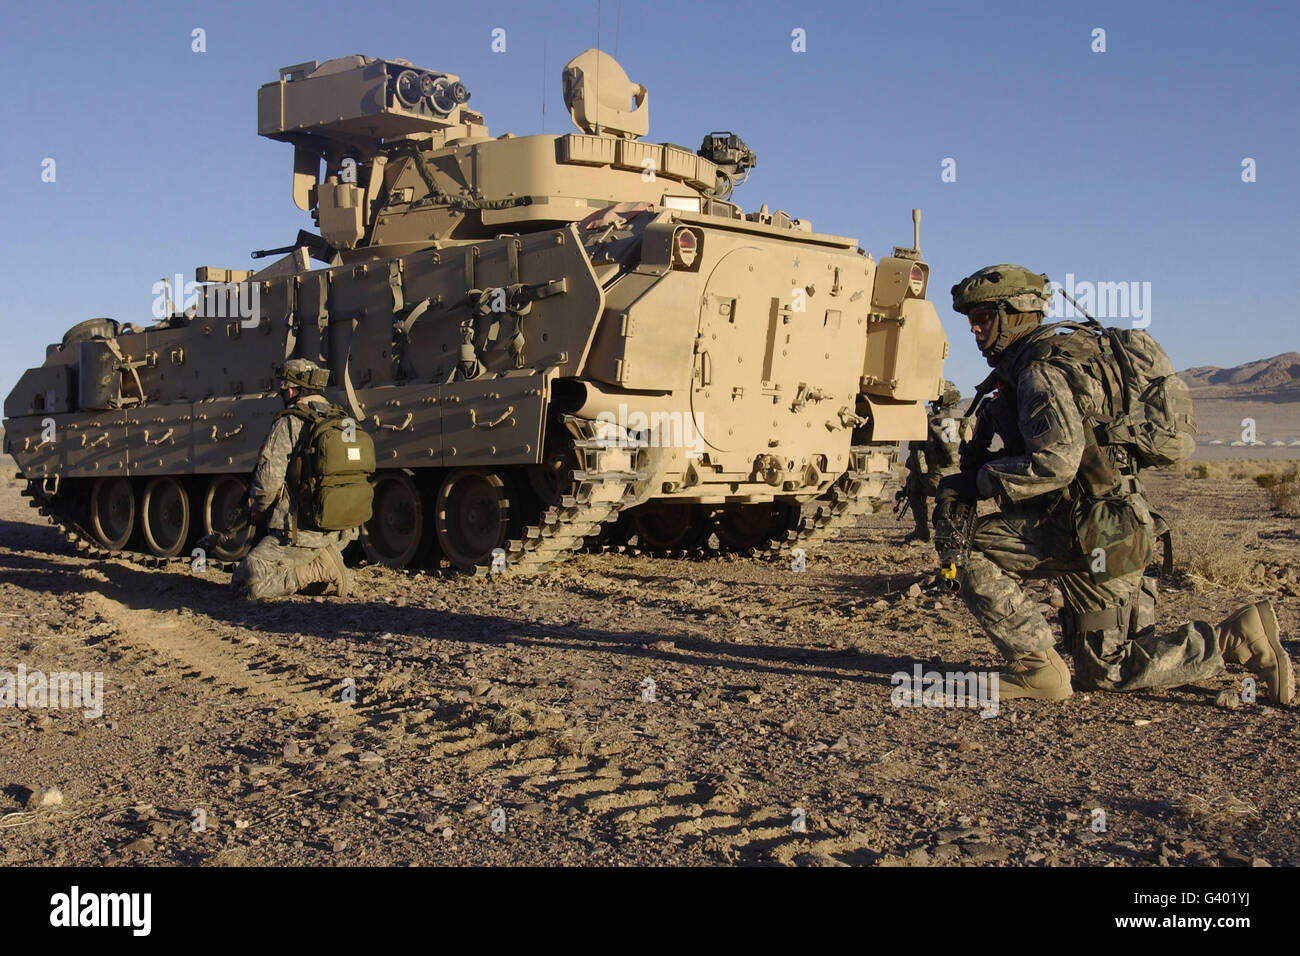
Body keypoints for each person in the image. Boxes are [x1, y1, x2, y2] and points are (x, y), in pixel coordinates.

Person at [936, 264, 1293, 704]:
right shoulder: (1077, 356)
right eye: (971, 319)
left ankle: (1038, 669)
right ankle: (1236, 637)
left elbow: (1056, 463)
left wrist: (975, 483)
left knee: (967, 544)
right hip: (1120, 526)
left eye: (984, 317)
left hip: (1090, 533)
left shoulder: (1040, 372)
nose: (974, 328)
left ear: (1016, 314)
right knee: (1104, 667)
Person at [231, 359, 355, 599]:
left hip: (300, 533)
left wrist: (260, 507)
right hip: (339, 529)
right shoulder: (340, 418)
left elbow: (267, 480)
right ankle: (324, 561)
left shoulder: (290, 421)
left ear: (289, 390)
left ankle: (317, 569)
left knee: (245, 582)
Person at [897, 381, 962, 542]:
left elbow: (952, 454)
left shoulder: (941, 421)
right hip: (948, 475)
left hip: (942, 476)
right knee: (913, 486)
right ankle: (929, 532)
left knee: (916, 487)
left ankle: (928, 531)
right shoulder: (954, 419)